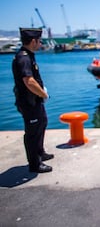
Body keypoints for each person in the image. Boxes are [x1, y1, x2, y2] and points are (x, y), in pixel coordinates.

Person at [12, 28, 54, 173]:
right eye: (39, 41)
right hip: (29, 102)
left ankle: (40, 152)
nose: (40, 43)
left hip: (35, 101)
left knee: (42, 123)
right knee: (32, 132)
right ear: (33, 41)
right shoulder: (23, 57)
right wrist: (43, 94)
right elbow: (29, 81)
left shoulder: (29, 55)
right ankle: (34, 164)